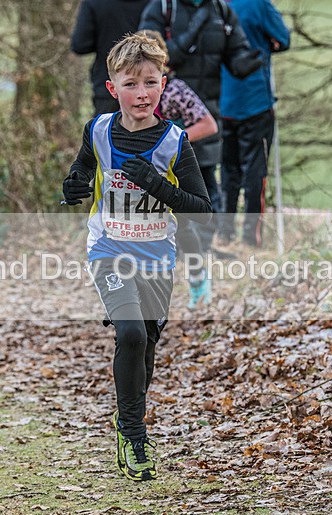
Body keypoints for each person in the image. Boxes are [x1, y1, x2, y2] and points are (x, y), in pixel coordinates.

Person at [62, 33, 211, 481]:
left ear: (163, 84)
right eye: (130, 84)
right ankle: (133, 432)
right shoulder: (99, 129)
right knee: (129, 335)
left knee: (146, 345)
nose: (141, 93)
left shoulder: (174, 141)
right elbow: (84, 168)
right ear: (113, 89)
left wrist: (158, 185)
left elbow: (202, 210)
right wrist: (74, 185)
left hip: (157, 257)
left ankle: (127, 415)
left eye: (149, 83)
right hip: (108, 249)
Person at [139, 0, 262, 257]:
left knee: (205, 185)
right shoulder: (162, 8)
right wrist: (193, 30)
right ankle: (171, 247)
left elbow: (235, 52)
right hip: (167, 106)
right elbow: (149, 55)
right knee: (166, 186)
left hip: (206, 110)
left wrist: (249, 60)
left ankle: (202, 248)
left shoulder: (221, 10)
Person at [139, 29, 217, 308]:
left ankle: (198, 281)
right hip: (140, 176)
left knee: (182, 229)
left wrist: (175, 138)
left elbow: (209, 124)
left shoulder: (175, 90)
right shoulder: (132, 91)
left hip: (173, 171)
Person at [218, 0, 290, 248]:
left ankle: (225, 232)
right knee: (255, 172)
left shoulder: (214, 5)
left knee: (228, 170)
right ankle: (250, 238)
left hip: (222, 100)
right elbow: (284, 38)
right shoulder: (259, 4)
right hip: (255, 99)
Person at [71, 0, 150, 116]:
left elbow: (80, 45)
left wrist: (105, 42)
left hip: (108, 84)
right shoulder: (157, 3)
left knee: (106, 131)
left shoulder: (94, 3)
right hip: (146, 86)